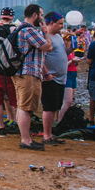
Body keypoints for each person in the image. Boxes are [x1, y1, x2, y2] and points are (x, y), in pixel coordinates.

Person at [13, 4, 55, 151]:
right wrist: (46, 32)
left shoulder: (20, 29)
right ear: (35, 15)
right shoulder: (29, 30)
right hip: (29, 72)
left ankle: (25, 138)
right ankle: (26, 140)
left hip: (22, 73)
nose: (42, 18)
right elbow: (47, 47)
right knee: (26, 108)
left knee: (22, 106)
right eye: (41, 15)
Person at [39, 12, 68, 145]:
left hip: (61, 78)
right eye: (60, 23)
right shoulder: (46, 37)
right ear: (51, 23)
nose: (62, 26)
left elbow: (61, 53)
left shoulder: (58, 37)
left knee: (56, 106)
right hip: (50, 78)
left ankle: (50, 133)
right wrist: (46, 74)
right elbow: (41, 59)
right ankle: (46, 135)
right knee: (49, 107)